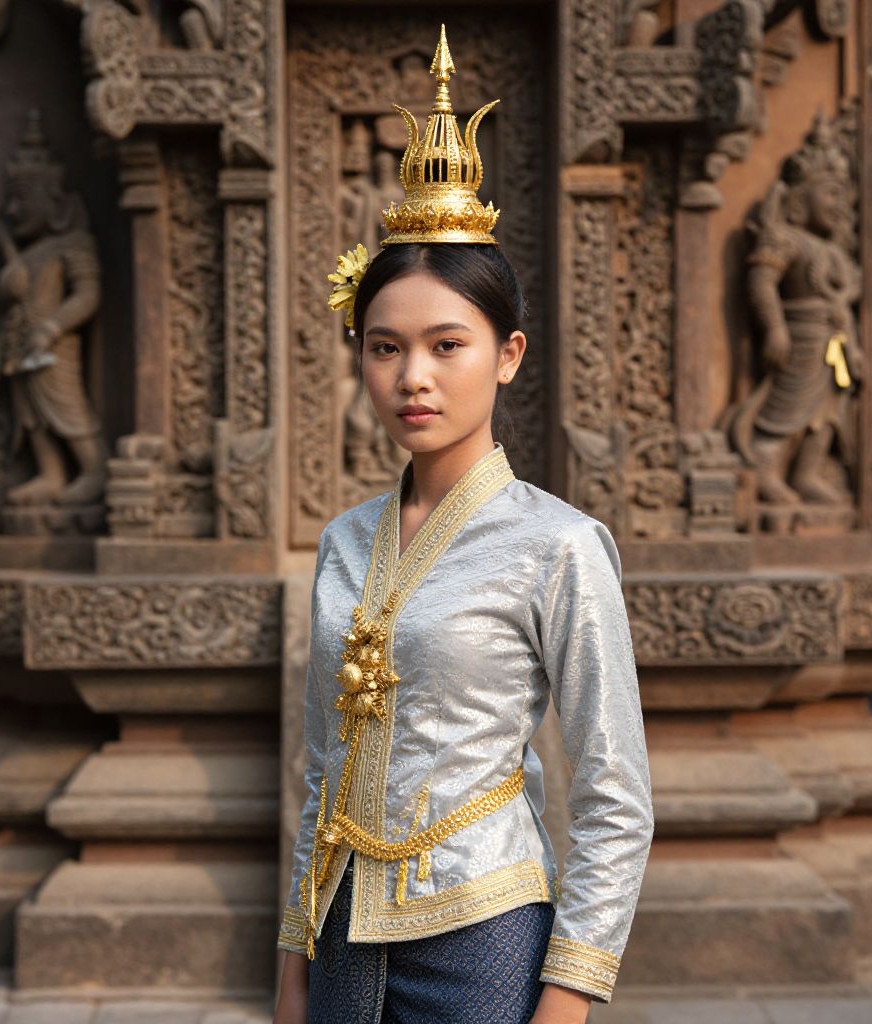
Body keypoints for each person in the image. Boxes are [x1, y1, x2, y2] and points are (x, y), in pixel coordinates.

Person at [274, 26, 653, 1024]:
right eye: (385, 347)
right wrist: (291, 961)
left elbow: (615, 798)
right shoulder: (347, 541)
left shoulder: (559, 545)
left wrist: (567, 995)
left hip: (484, 931)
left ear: (508, 354)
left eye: (448, 344)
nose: (413, 377)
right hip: (343, 933)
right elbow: (321, 768)